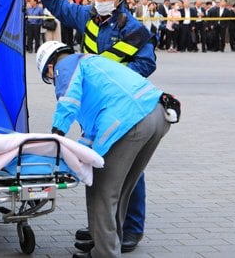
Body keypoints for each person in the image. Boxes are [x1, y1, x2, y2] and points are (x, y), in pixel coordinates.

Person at [20, 0, 156, 253]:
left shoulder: (133, 30)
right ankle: (103, 226)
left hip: (122, 108)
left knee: (129, 170)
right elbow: (58, 6)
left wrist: (110, 77)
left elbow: (147, 63)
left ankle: (131, 229)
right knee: (100, 165)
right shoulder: (89, 17)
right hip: (94, 108)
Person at [36, 41, 173, 258]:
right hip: (157, 113)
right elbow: (92, 132)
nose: (54, 80)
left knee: (101, 190)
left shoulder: (66, 64)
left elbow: (67, 100)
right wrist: (74, 159)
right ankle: (107, 244)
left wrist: (56, 135)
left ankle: (105, 253)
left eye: (50, 77)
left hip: (129, 121)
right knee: (122, 188)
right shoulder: (93, 63)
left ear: (50, 67)